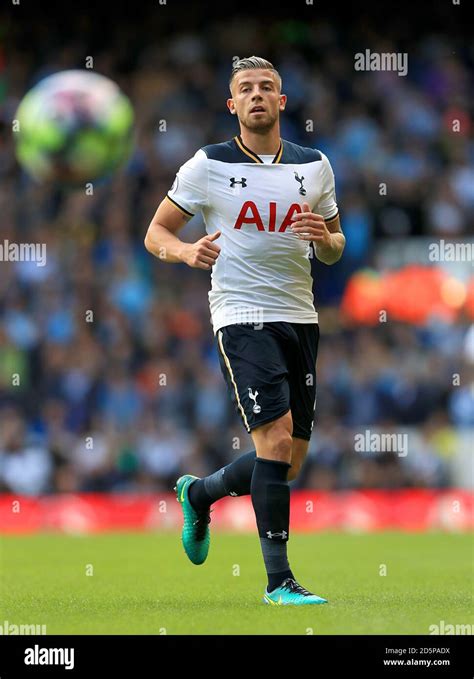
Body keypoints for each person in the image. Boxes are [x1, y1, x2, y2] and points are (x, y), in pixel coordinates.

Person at [144, 56, 345, 605]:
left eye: (267, 88)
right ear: (232, 106)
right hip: (240, 313)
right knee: (275, 440)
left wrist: (323, 239)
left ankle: (201, 493)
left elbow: (335, 245)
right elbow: (155, 233)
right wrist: (186, 250)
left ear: (282, 102)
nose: (257, 95)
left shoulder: (315, 166)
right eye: (245, 89)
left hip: (300, 317)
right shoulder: (207, 165)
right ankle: (279, 582)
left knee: (289, 459)